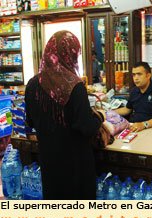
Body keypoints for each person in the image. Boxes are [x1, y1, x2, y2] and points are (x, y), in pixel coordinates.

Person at [25, 31, 104, 200]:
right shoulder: (75, 86)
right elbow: (86, 127)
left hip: (49, 161)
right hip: (75, 165)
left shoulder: (32, 84)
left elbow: (30, 121)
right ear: (71, 54)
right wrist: (100, 118)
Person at [115, 62, 152, 132]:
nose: (136, 78)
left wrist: (143, 124)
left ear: (148, 75)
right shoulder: (134, 91)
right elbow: (127, 109)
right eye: (134, 75)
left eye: (139, 74)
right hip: (136, 127)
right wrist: (108, 112)